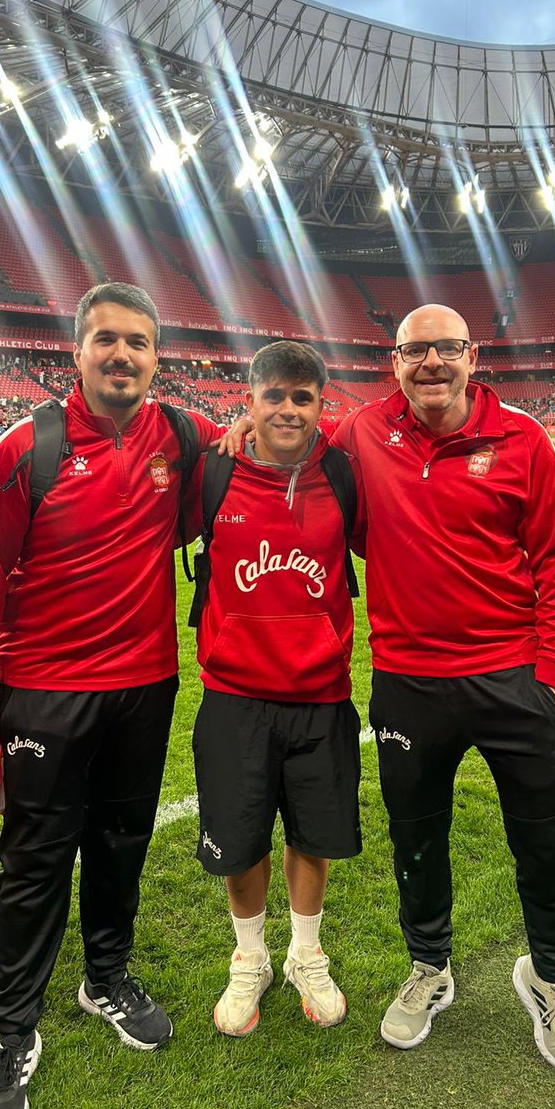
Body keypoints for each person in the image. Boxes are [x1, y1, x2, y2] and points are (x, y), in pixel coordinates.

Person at [0, 282, 220, 1109]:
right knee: (34, 863)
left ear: (156, 357)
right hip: (44, 692)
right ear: (77, 349)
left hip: (145, 686)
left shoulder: (181, 432)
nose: (123, 355)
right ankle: (13, 1029)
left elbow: (266, 442)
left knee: (120, 843)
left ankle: (105, 979)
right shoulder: (24, 449)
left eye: (138, 342)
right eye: (107, 339)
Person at [331, 304, 555, 1072]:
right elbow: (302, 466)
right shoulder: (361, 433)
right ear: (396, 360)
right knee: (415, 837)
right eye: (416, 351)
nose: (431, 363)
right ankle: (430, 968)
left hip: (515, 681)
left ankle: (549, 978)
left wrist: (552, 674)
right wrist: (239, 431)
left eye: (447, 349)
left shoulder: (524, 438)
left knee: (545, 839)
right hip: (409, 682)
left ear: (473, 356)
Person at [190, 341, 363, 1038]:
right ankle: (250, 958)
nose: (288, 409)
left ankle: (305, 954)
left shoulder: (344, 473)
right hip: (234, 695)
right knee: (239, 843)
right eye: (274, 396)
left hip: (321, 694)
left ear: (322, 406)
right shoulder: (214, 471)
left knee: (312, 839)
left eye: (303, 397)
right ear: (250, 400)